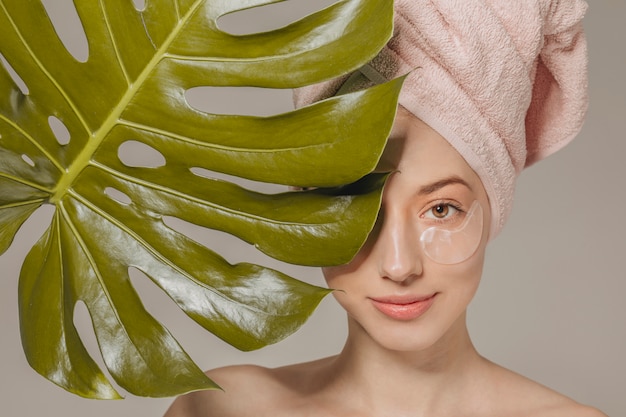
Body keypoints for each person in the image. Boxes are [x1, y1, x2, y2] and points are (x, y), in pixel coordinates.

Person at [165, 1, 607, 415]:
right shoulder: (219, 410)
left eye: (442, 209)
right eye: (358, 202)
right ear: (308, 205)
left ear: (493, 207)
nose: (399, 266)